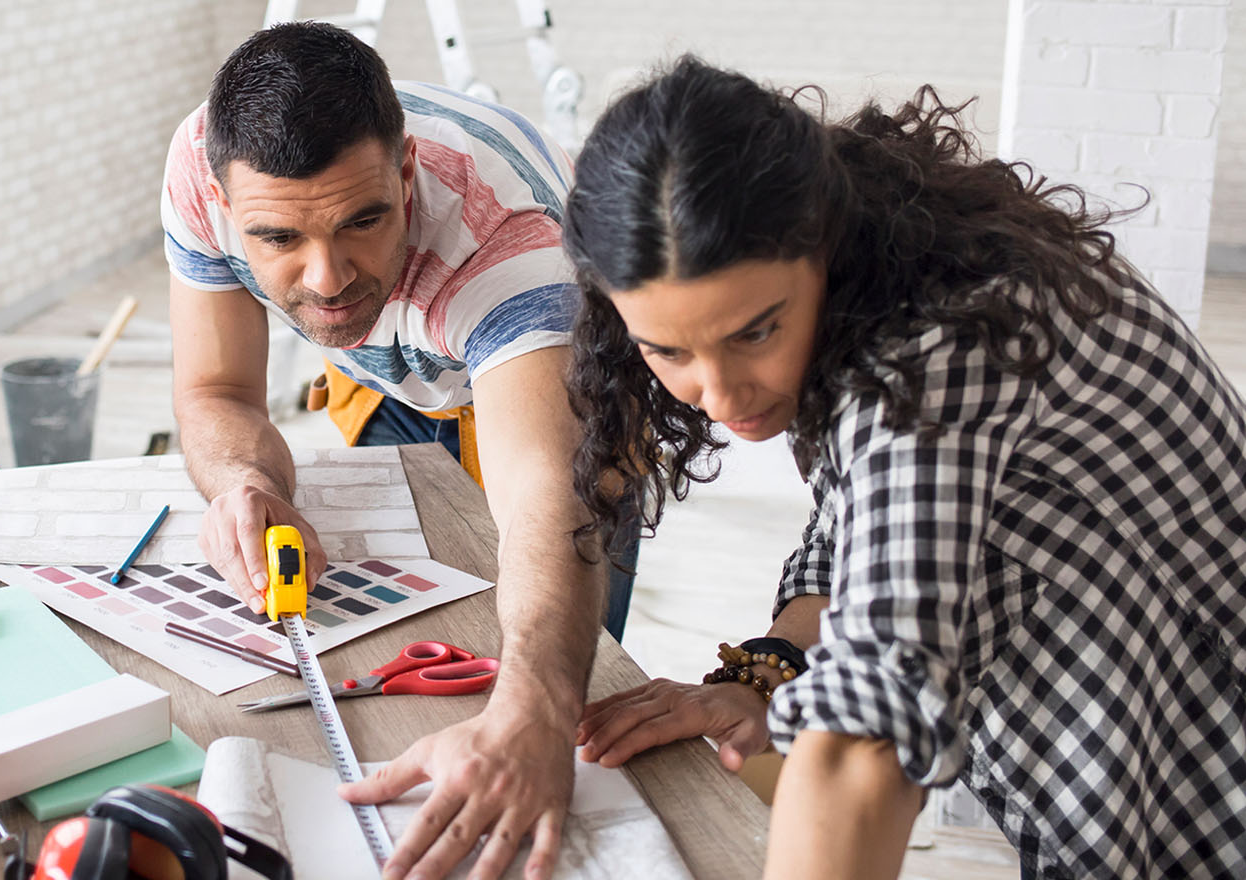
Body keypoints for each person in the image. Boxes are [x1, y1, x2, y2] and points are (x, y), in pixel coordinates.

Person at [561, 56, 1246, 879]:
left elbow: (862, 750)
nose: (718, 393)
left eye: (754, 333)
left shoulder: (939, 347)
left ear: (822, 239)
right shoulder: (877, 286)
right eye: (667, 350)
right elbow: (856, 520)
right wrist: (765, 672)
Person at [162, 23, 621, 880]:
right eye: (278, 240)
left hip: (546, 373)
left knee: (559, 700)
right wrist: (245, 482)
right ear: (224, 205)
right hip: (391, 371)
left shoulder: (510, 242)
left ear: (407, 174)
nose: (328, 277)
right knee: (385, 637)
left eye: (362, 219)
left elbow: (547, 501)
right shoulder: (199, 167)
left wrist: (538, 715)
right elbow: (218, 394)